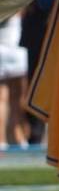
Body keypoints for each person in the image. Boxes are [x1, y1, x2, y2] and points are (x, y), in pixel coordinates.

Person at [0, 14, 28, 149]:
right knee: (17, 99)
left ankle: (4, 139)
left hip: (6, 52)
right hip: (15, 52)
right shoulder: (16, 0)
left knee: (4, 100)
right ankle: (18, 137)